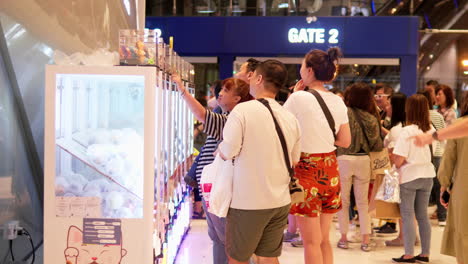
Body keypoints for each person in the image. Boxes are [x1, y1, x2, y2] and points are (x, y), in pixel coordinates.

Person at [218, 60, 301, 264]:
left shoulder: (242, 111)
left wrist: (220, 152)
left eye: (252, 75)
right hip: (279, 199)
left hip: (248, 201)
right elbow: (295, 159)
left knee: (238, 258)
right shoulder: (290, 117)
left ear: (259, 78)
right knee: (269, 257)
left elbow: (227, 151)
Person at [173, 74, 251, 264]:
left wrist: (181, 90)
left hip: (219, 187)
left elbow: (201, 114)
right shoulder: (225, 116)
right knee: (218, 238)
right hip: (212, 186)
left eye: (226, 90)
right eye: (222, 89)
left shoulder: (231, 120)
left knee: (227, 240)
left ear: (237, 99)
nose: (221, 93)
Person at [284, 47, 351, 264]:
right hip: (330, 169)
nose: (300, 68)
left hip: (306, 171)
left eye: (303, 65)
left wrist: (294, 95)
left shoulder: (298, 98)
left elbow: (281, 128)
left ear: (310, 70)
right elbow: (345, 141)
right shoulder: (338, 101)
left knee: (310, 242)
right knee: (323, 241)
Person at [336, 82, 383, 252]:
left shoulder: (343, 114)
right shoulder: (371, 118)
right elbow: (377, 146)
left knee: (343, 201)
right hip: (363, 160)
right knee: (363, 203)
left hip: (343, 159)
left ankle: (343, 238)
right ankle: (365, 240)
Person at [391, 94, 435, 263]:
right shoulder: (431, 129)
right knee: (423, 215)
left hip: (409, 176)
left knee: (408, 215)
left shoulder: (406, 131)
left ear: (409, 110)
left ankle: (408, 254)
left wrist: (395, 158)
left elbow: (399, 159)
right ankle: (425, 253)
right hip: (427, 175)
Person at [438, 91, 468, 264]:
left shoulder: (460, 125)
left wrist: (444, 185)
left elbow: (449, 159)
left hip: (464, 190)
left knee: (464, 235)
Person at [418, 89, 447, 226]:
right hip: (438, 153)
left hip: (423, 154)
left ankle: (421, 215)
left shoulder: (417, 116)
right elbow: (443, 135)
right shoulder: (437, 116)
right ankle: (442, 217)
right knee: (439, 185)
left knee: (423, 186)